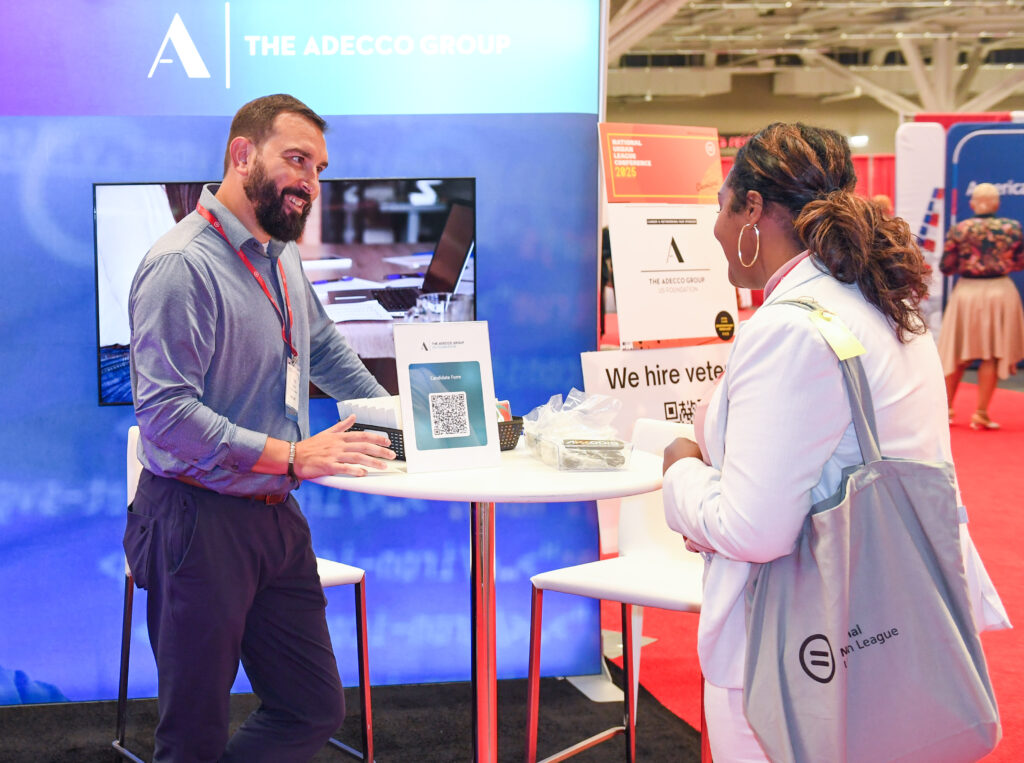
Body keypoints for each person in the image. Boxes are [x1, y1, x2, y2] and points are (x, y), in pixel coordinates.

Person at [660, 123, 950, 761]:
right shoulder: (881, 301)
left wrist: (680, 470)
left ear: (752, 209)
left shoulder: (791, 327)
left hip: (797, 652)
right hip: (881, 623)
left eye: (720, 208)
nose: (714, 230)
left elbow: (751, 529)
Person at [126, 94, 396, 762]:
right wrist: (294, 456)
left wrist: (403, 419)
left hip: (274, 513)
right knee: (193, 734)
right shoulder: (181, 265)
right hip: (196, 519)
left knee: (312, 707)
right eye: (296, 159)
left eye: (319, 168)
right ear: (242, 154)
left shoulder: (280, 253)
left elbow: (324, 348)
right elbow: (166, 415)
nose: (310, 181)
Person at [937, 182, 1024, 430]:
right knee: (992, 353)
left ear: (973, 204)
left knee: (957, 351)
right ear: (997, 203)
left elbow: (946, 266)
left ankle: (946, 409)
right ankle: (981, 413)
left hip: (967, 292)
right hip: (1000, 292)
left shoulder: (960, 229)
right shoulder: (1012, 228)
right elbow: (1020, 261)